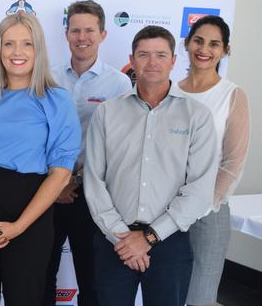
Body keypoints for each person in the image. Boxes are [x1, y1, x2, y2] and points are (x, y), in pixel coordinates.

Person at [0, 13, 81, 306]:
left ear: (39, 50)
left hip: (30, 211)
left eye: (27, 44)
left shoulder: (57, 101)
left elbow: (60, 172)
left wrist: (19, 227)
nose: (17, 53)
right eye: (9, 44)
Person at [84, 25, 219, 306]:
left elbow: (199, 189)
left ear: (173, 61)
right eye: (144, 54)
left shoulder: (197, 117)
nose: (152, 62)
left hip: (170, 242)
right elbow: (94, 180)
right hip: (115, 242)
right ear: (132, 61)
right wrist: (122, 237)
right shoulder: (107, 112)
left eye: (160, 55)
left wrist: (149, 238)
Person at [46, 0, 132, 306]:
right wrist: (55, 185)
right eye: (75, 30)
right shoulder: (47, 78)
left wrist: (77, 181)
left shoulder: (119, 84)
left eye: (89, 30)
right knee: (42, 278)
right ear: (66, 34)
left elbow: (119, 145)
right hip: (47, 194)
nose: (82, 37)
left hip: (92, 197)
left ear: (103, 34)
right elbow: (36, 135)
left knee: (92, 281)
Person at [178, 16, 250, 306]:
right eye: (198, 40)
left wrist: (200, 204)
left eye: (214, 44)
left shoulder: (232, 95)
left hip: (207, 212)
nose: (204, 49)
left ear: (224, 50)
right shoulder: (169, 90)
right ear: (187, 43)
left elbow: (233, 162)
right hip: (163, 210)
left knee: (200, 296)